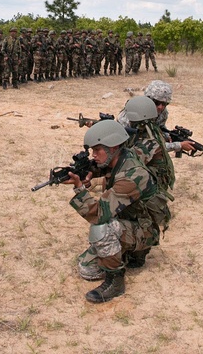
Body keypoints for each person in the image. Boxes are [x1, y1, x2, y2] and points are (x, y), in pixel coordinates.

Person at [63, 119, 170, 304]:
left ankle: (115, 282)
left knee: (102, 229)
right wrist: (85, 172)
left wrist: (80, 188)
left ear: (113, 147)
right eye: (92, 150)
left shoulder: (132, 175)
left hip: (145, 231)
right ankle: (131, 255)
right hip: (132, 222)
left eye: (98, 150)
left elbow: (98, 214)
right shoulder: (122, 157)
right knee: (86, 267)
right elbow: (100, 168)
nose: (93, 155)